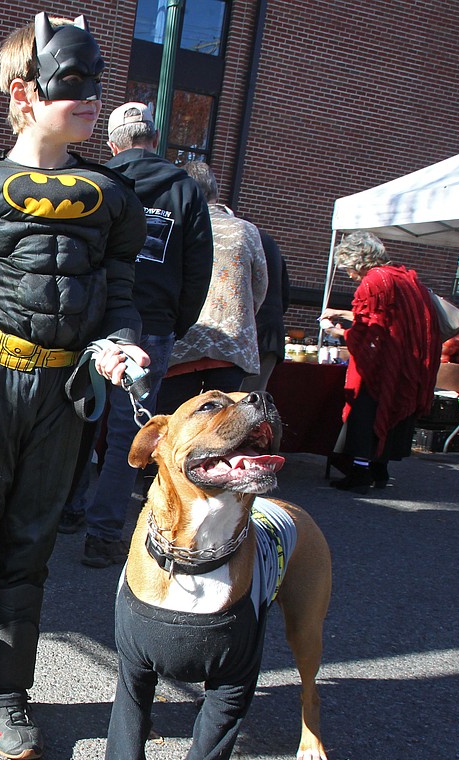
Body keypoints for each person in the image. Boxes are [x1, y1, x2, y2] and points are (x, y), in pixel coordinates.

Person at [0, 13, 148, 760]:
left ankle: (8, 692)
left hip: (61, 398)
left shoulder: (113, 198)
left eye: (97, 86)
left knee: (30, 551)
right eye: (75, 85)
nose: (93, 100)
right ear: (25, 91)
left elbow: (122, 300)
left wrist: (120, 346)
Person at [62, 100, 213, 569]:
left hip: (90, 320)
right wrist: (175, 323)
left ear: (112, 144)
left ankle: (67, 511)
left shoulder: (94, 182)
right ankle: (104, 536)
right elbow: (198, 269)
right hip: (152, 325)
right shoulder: (185, 190)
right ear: (154, 139)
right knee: (130, 430)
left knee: (78, 418)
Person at [321, 231, 441, 491]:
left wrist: (338, 332)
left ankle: (360, 474)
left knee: (366, 414)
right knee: (390, 416)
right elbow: (384, 317)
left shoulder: (373, 282)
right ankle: (379, 470)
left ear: (358, 261)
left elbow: (370, 332)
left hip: (382, 366)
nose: (351, 275)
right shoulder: (402, 278)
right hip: (407, 363)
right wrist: (344, 312)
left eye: (349, 269)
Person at [155, 161, 267, 415]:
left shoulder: (177, 227)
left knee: (175, 421)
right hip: (231, 343)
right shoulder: (245, 230)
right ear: (215, 191)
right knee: (224, 424)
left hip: (181, 340)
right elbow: (259, 287)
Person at [239, 225, 290, 394]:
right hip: (271, 331)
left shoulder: (239, 236)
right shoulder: (269, 241)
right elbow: (285, 296)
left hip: (244, 330)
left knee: (236, 403)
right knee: (255, 397)